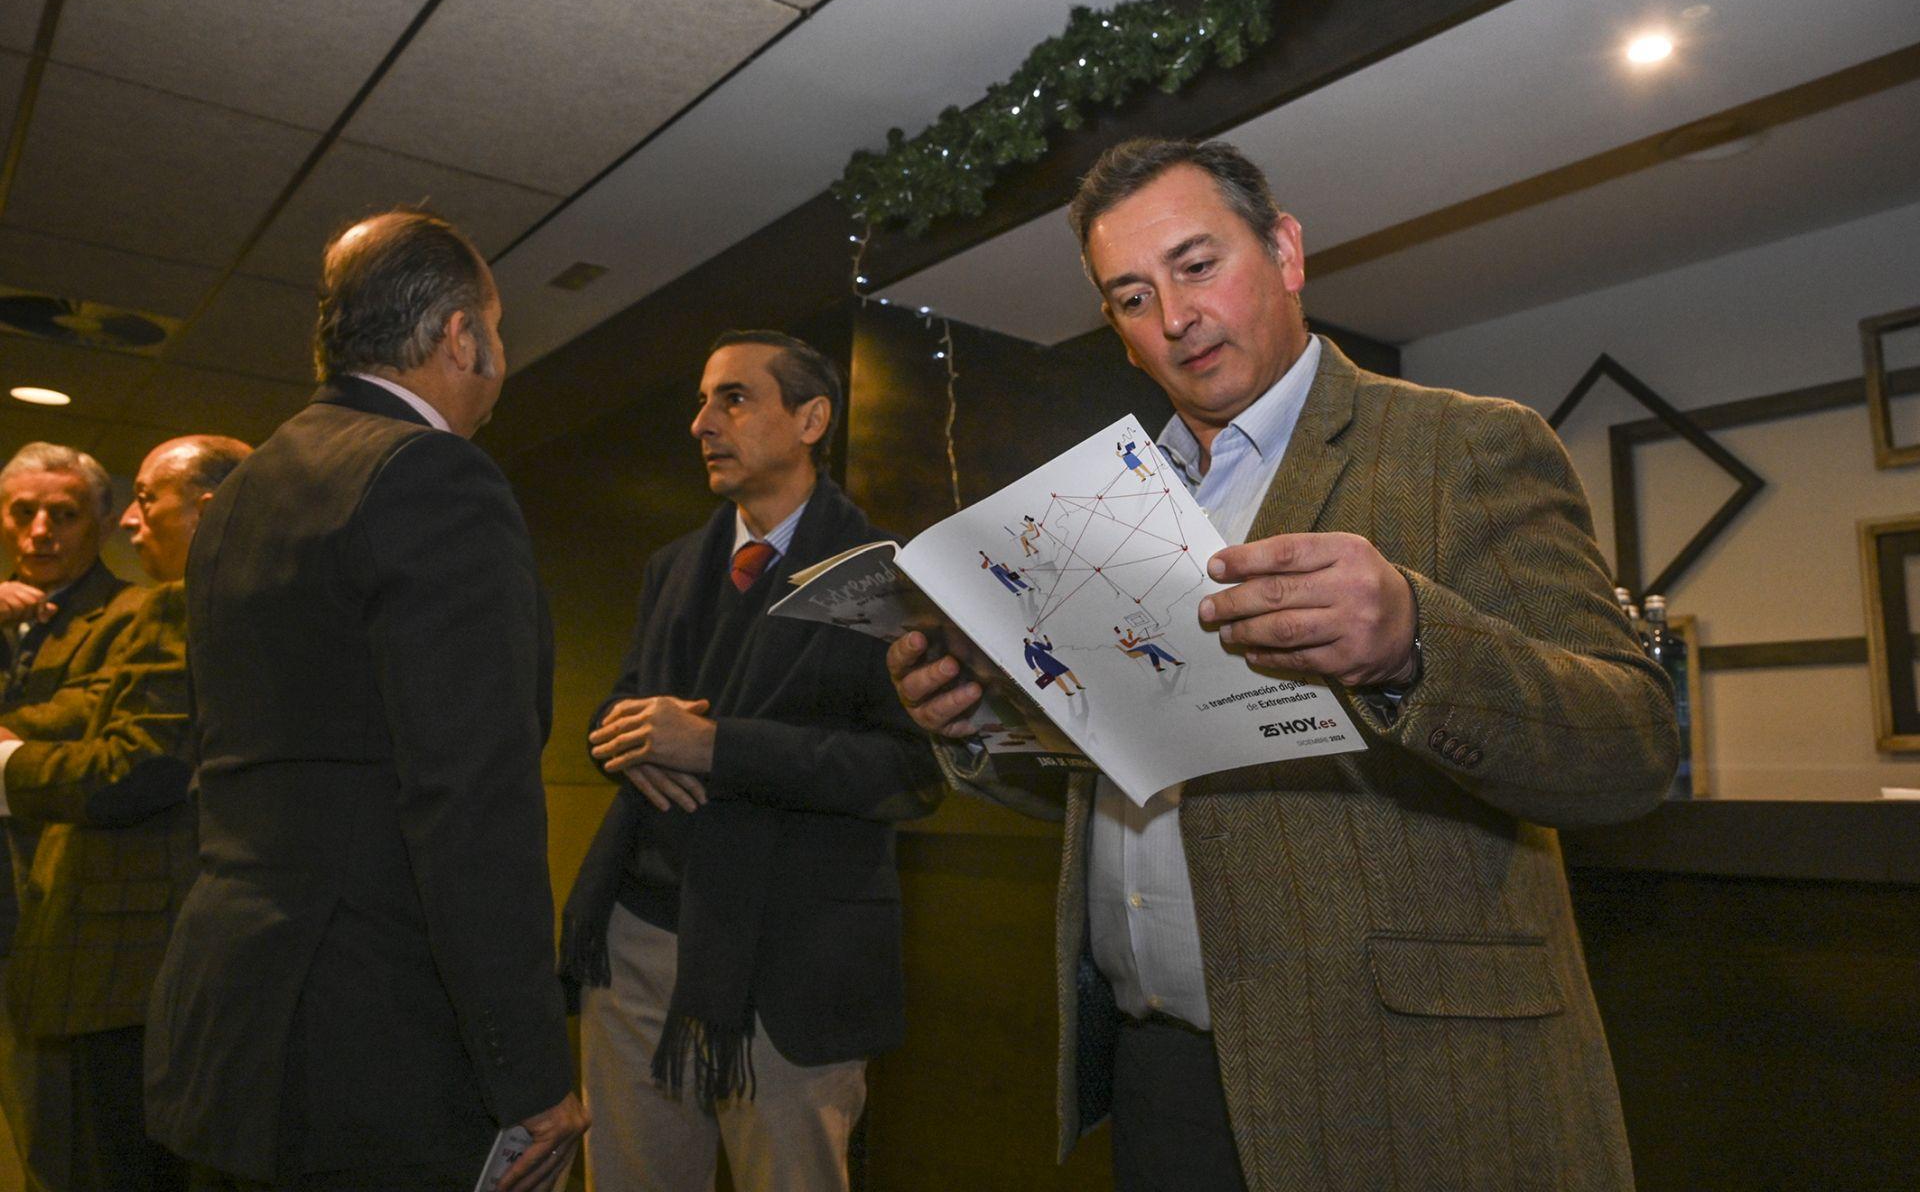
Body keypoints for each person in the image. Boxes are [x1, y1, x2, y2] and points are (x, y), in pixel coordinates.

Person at [887, 138, 1678, 1192]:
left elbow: (1630, 741)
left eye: (1197, 264)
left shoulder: (1465, 448)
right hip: (1157, 1067)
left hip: (1401, 1081)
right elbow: (1142, 777)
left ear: (1287, 250)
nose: (1173, 317)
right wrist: (985, 722)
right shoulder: (1101, 514)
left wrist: (1413, 641)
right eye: (1132, 295)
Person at [144, 211, 586, 1191]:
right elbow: (472, 800)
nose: (501, 356)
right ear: (460, 336)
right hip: (371, 1041)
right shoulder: (433, 476)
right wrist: (532, 1068)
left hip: (230, 1017)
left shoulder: (241, 491)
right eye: (501, 329)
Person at [560, 331, 942, 1192]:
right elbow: (618, 707)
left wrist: (716, 749)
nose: (702, 423)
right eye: (701, 401)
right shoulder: (672, 568)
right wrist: (622, 738)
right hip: (638, 943)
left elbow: (910, 775)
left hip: (789, 952)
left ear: (812, 419)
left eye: (733, 399)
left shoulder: (886, 577)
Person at [0, 435, 249, 1192]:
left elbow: (133, 764)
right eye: (22, 512)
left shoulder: (173, 602)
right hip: (102, 938)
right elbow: (82, 711)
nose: (136, 524)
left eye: (144, 500)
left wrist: (6, 759)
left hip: (120, 941)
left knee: (98, 1159)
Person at [0, 442, 145, 1191]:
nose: (39, 532)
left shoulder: (131, 612)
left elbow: (94, 729)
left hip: (65, 908)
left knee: (64, 1144)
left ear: (101, 523)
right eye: (23, 513)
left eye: (63, 514)